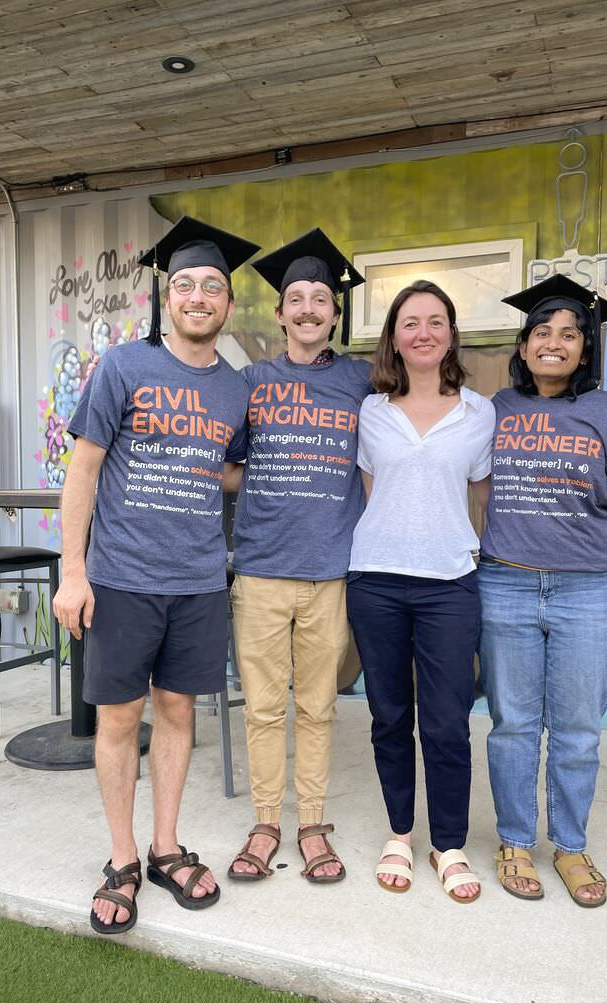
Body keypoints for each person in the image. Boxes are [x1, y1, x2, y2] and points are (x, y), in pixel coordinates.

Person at [53, 216, 258, 933]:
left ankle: (166, 845)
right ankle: (122, 857)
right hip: (121, 579)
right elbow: (83, 469)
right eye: (185, 285)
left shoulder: (236, 389)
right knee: (119, 718)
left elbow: (227, 469)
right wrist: (71, 572)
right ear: (166, 298)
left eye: (212, 287)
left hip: (199, 579)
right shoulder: (122, 367)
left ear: (227, 303)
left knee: (178, 712)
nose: (198, 297)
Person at [477, 273, 607, 908]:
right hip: (505, 585)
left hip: (591, 592)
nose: (554, 343)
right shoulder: (494, 409)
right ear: (523, 347)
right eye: (542, 332)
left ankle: (571, 845)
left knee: (578, 729)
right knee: (512, 725)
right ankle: (515, 840)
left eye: (570, 334)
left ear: (586, 349)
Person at [224, 229, 372, 884]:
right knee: (261, 706)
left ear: (335, 314)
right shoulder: (251, 381)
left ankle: (311, 822)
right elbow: (224, 465)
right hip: (259, 568)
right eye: (296, 299)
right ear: (280, 313)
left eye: (321, 299)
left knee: (317, 705)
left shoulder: (362, 381)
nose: (309, 308)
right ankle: (265, 822)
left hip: (329, 573)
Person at [345, 280, 494, 902]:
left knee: (447, 722)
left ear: (452, 335)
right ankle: (400, 833)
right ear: (394, 338)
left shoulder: (479, 412)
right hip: (376, 580)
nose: (424, 332)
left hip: (449, 586)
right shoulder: (371, 411)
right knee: (388, 716)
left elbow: (481, 501)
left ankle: (449, 844)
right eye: (411, 323)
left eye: (436, 321)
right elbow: (372, 492)